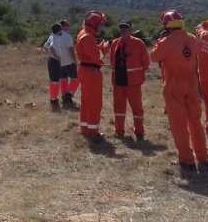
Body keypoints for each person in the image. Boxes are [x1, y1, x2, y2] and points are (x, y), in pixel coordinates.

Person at [150, 10, 208, 170]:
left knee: (179, 124)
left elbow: (154, 57)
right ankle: (203, 157)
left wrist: (160, 39)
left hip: (174, 85)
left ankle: (186, 159)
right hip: (191, 83)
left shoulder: (166, 41)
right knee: (196, 122)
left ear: (166, 25)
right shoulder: (192, 38)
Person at [109, 20, 151, 140]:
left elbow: (146, 63)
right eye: (121, 28)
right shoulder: (115, 43)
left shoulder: (139, 43)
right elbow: (112, 61)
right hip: (118, 81)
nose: (123, 30)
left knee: (137, 107)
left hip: (133, 82)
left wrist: (137, 75)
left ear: (130, 30)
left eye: (126, 28)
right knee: (118, 107)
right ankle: (119, 131)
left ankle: (139, 132)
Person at [75, 10, 107, 142]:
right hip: (91, 72)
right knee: (94, 102)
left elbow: (90, 52)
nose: (101, 27)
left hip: (86, 70)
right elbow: (96, 57)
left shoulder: (85, 34)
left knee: (86, 101)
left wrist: (98, 47)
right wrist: (104, 48)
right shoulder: (88, 36)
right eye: (100, 24)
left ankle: (85, 128)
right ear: (95, 24)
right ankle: (93, 131)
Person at [58, 19, 80, 108]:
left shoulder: (55, 36)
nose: (69, 26)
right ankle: (68, 96)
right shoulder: (67, 36)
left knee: (63, 79)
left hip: (59, 62)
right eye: (67, 25)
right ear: (63, 26)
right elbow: (71, 49)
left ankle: (64, 96)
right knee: (76, 79)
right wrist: (74, 60)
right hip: (69, 62)